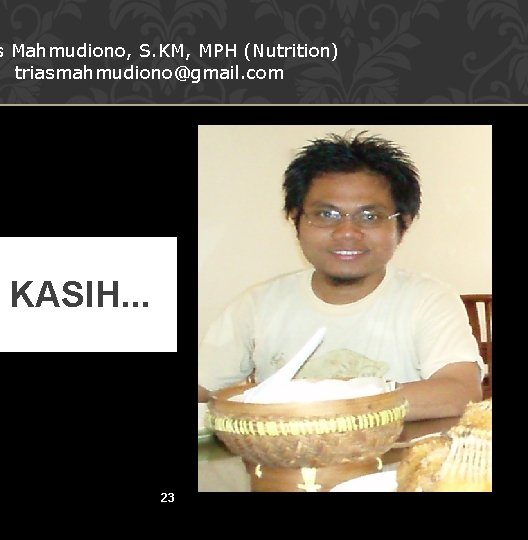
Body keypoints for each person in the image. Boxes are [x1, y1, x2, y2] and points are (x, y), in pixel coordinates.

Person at [197, 131, 486, 421]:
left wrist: (317, 402)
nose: (347, 232)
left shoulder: (428, 299)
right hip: (282, 451)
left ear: (403, 225)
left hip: (396, 451)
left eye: (370, 217)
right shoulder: (258, 305)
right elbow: (204, 388)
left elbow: (459, 392)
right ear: (296, 218)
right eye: (327, 215)